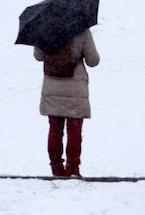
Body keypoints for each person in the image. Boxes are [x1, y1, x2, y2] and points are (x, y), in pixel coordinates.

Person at [34, 29, 100, 178]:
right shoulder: (82, 29)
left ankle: (56, 169)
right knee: (74, 131)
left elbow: (38, 56)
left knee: (55, 130)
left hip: (52, 85)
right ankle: (73, 170)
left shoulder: (45, 28)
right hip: (75, 88)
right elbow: (93, 61)